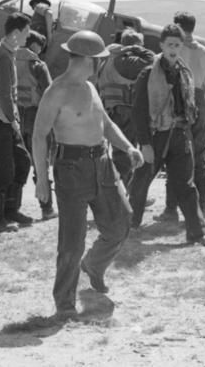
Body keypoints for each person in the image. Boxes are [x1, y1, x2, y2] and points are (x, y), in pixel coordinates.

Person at [33, 30, 144, 320]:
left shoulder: (91, 87)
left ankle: (93, 266)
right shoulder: (57, 91)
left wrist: (128, 147)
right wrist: (42, 181)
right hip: (71, 169)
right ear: (88, 60)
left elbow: (106, 124)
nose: (102, 65)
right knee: (72, 242)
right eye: (100, 60)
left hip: (102, 165)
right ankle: (65, 304)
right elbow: (38, 135)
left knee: (120, 224)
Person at [127, 24, 205, 246]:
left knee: (186, 185)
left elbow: (191, 107)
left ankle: (198, 233)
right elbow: (138, 111)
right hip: (156, 136)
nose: (174, 48)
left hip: (179, 136)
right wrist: (145, 144)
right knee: (140, 183)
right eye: (170, 44)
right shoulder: (147, 74)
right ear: (161, 46)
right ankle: (129, 225)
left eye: (177, 44)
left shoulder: (185, 73)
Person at [156, 11, 205, 220]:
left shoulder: (175, 50)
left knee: (174, 155)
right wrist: (203, 112)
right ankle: (201, 209)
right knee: (199, 157)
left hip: (178, 101)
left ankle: (171, 209)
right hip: (199, 101)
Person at [0, 12, 35, 232]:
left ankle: (11, 210)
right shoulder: (2, 54)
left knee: (22, 161)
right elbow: (3, 93)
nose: (28, 36)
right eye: (27, 32)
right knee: (3, 169)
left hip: (4, 113)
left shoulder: (7, 51)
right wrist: (13, 121)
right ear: (16, 33)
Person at [96, 28, 155, 186]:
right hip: (125, 111)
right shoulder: (127, 61)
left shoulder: (106, 59)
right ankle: (124, 195)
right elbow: (151, 59)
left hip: (109, 110)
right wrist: (136, 48)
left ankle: (122, 190)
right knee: (125, 155)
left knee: (117, 154)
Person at [16, 30, 57, 220]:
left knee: (19, 161)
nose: (40, 51)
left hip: (16, 115)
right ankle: (47, 208)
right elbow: (50, 94)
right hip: (36, 116)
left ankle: (11, 208)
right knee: (41, 163)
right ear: (34, 45)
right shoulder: (38, 65)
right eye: (40, 46)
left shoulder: (10, 60)